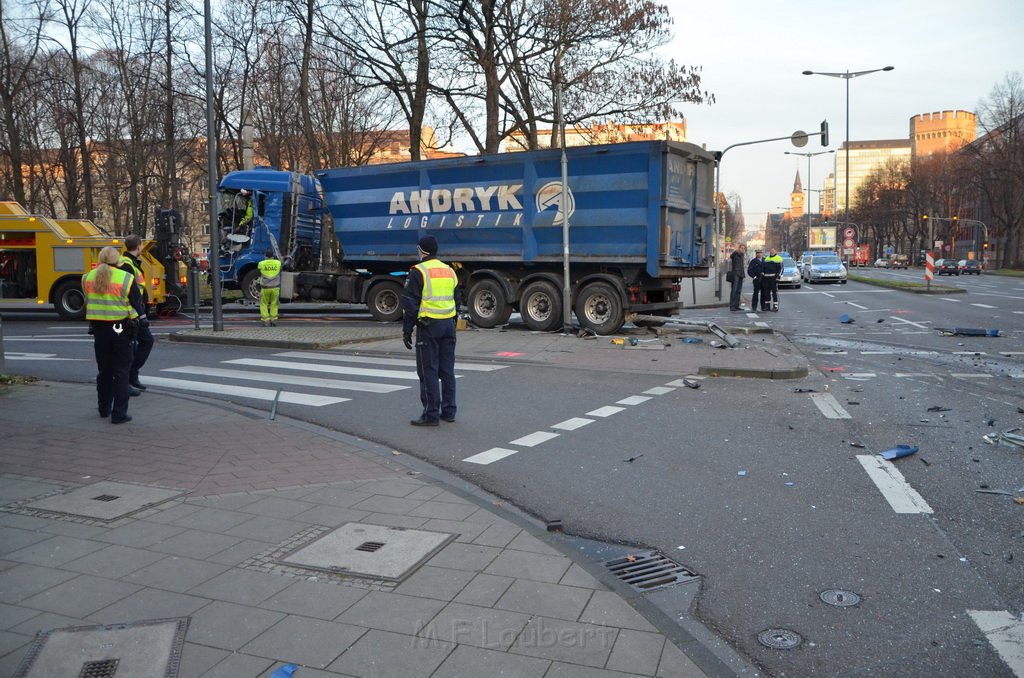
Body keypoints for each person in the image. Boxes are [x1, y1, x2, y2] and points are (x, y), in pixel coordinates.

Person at [401, 235, 458, 427]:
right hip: (448, 326)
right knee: (447, 370)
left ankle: (431, 414)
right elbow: (457, 299)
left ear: (421, 250)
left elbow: (410, 304)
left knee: (428, 371)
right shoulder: (449, 270)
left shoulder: (418, 271)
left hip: (429, 327)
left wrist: (407, 330)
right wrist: (452, 321)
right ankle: (449, 411)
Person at [83, 246, 141, 424]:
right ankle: (119, 413)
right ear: (118, 260)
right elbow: (136, 303)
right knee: (122, 371)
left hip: (99, 328)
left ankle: (103, 408)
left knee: (104, 370)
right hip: (120, 327)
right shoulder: (126, 277)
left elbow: (87, 301)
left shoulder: (87, 277)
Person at [119, 235, 153, 395]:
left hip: (133, 312)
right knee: (140, 343)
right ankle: (129, 378)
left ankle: (131, 377)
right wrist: (142, 315)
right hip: (130, 314)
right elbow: (131, 292)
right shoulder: (127, 264)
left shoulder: (129, 262)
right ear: (139, 246)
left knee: (138, 344)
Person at [257, 248, 282, 326]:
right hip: (275, 288)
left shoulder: (261, 263)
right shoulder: (278, 263)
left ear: (265, 255)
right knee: (274, 304)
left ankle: (266, 320)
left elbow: (259, 271)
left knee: (263, 304)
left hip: (265, 288)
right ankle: (273, 319)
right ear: (273, 256)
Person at [728, 243, 746, 311]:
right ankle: (732, 306)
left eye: (744, 248)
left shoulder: (742, 255)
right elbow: (731, 256)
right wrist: (736, 251)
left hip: (740, 274)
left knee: (738, 291)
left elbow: (742, 266)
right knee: (734, 290)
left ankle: (736, 305)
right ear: (739, 248)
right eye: (742, 248)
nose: (743, 249)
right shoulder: (735, 254)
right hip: (735, 274)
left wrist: (744, 276)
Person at [746, 249, 764, 314]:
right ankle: (754, 307)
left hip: (764, 279)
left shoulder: (764, 260)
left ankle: (763, 306)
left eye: (760, 253)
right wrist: (754, 277)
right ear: (756, 254)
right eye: (758, 253)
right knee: (756, 293)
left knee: (764, 293)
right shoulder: (753, 261)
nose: (759, 254)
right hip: (757, 279)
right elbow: (749, 271)